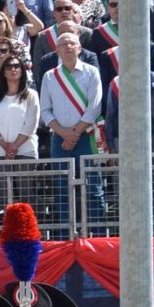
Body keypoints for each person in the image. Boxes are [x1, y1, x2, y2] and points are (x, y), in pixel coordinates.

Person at [40, 32, 106, 227]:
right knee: (62, 189)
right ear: (57, 50)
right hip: (59, 139)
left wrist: (74, 134)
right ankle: (65, 237)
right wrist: (64, 133)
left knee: (94, 188)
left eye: (72, 43)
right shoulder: (50, 76)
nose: (68, 46)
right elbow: (45, 110)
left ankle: (97, 235)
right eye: (63, 44)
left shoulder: (91, 72)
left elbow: (95, 107)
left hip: (87, 137)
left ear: (79, 48)